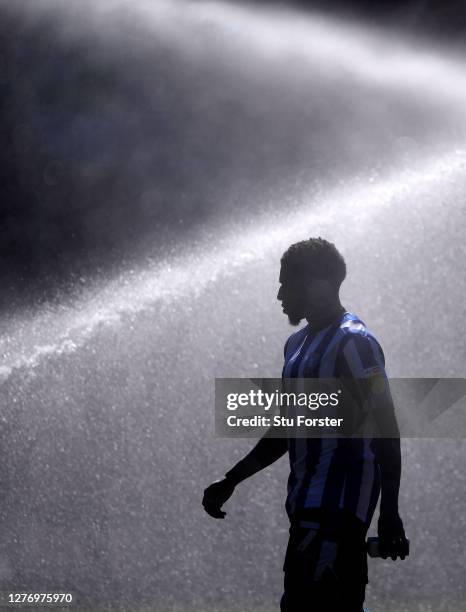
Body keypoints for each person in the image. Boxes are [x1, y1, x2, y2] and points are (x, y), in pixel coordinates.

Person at [202, 237, 409, 612]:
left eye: (287, 283)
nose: (280, 295)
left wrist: (389, 513)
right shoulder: (296, 345)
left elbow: (386, 430)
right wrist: (232, 478)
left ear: (318, 283)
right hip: (304, 511)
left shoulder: (355, 343)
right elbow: (287, 427)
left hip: (339, 511)